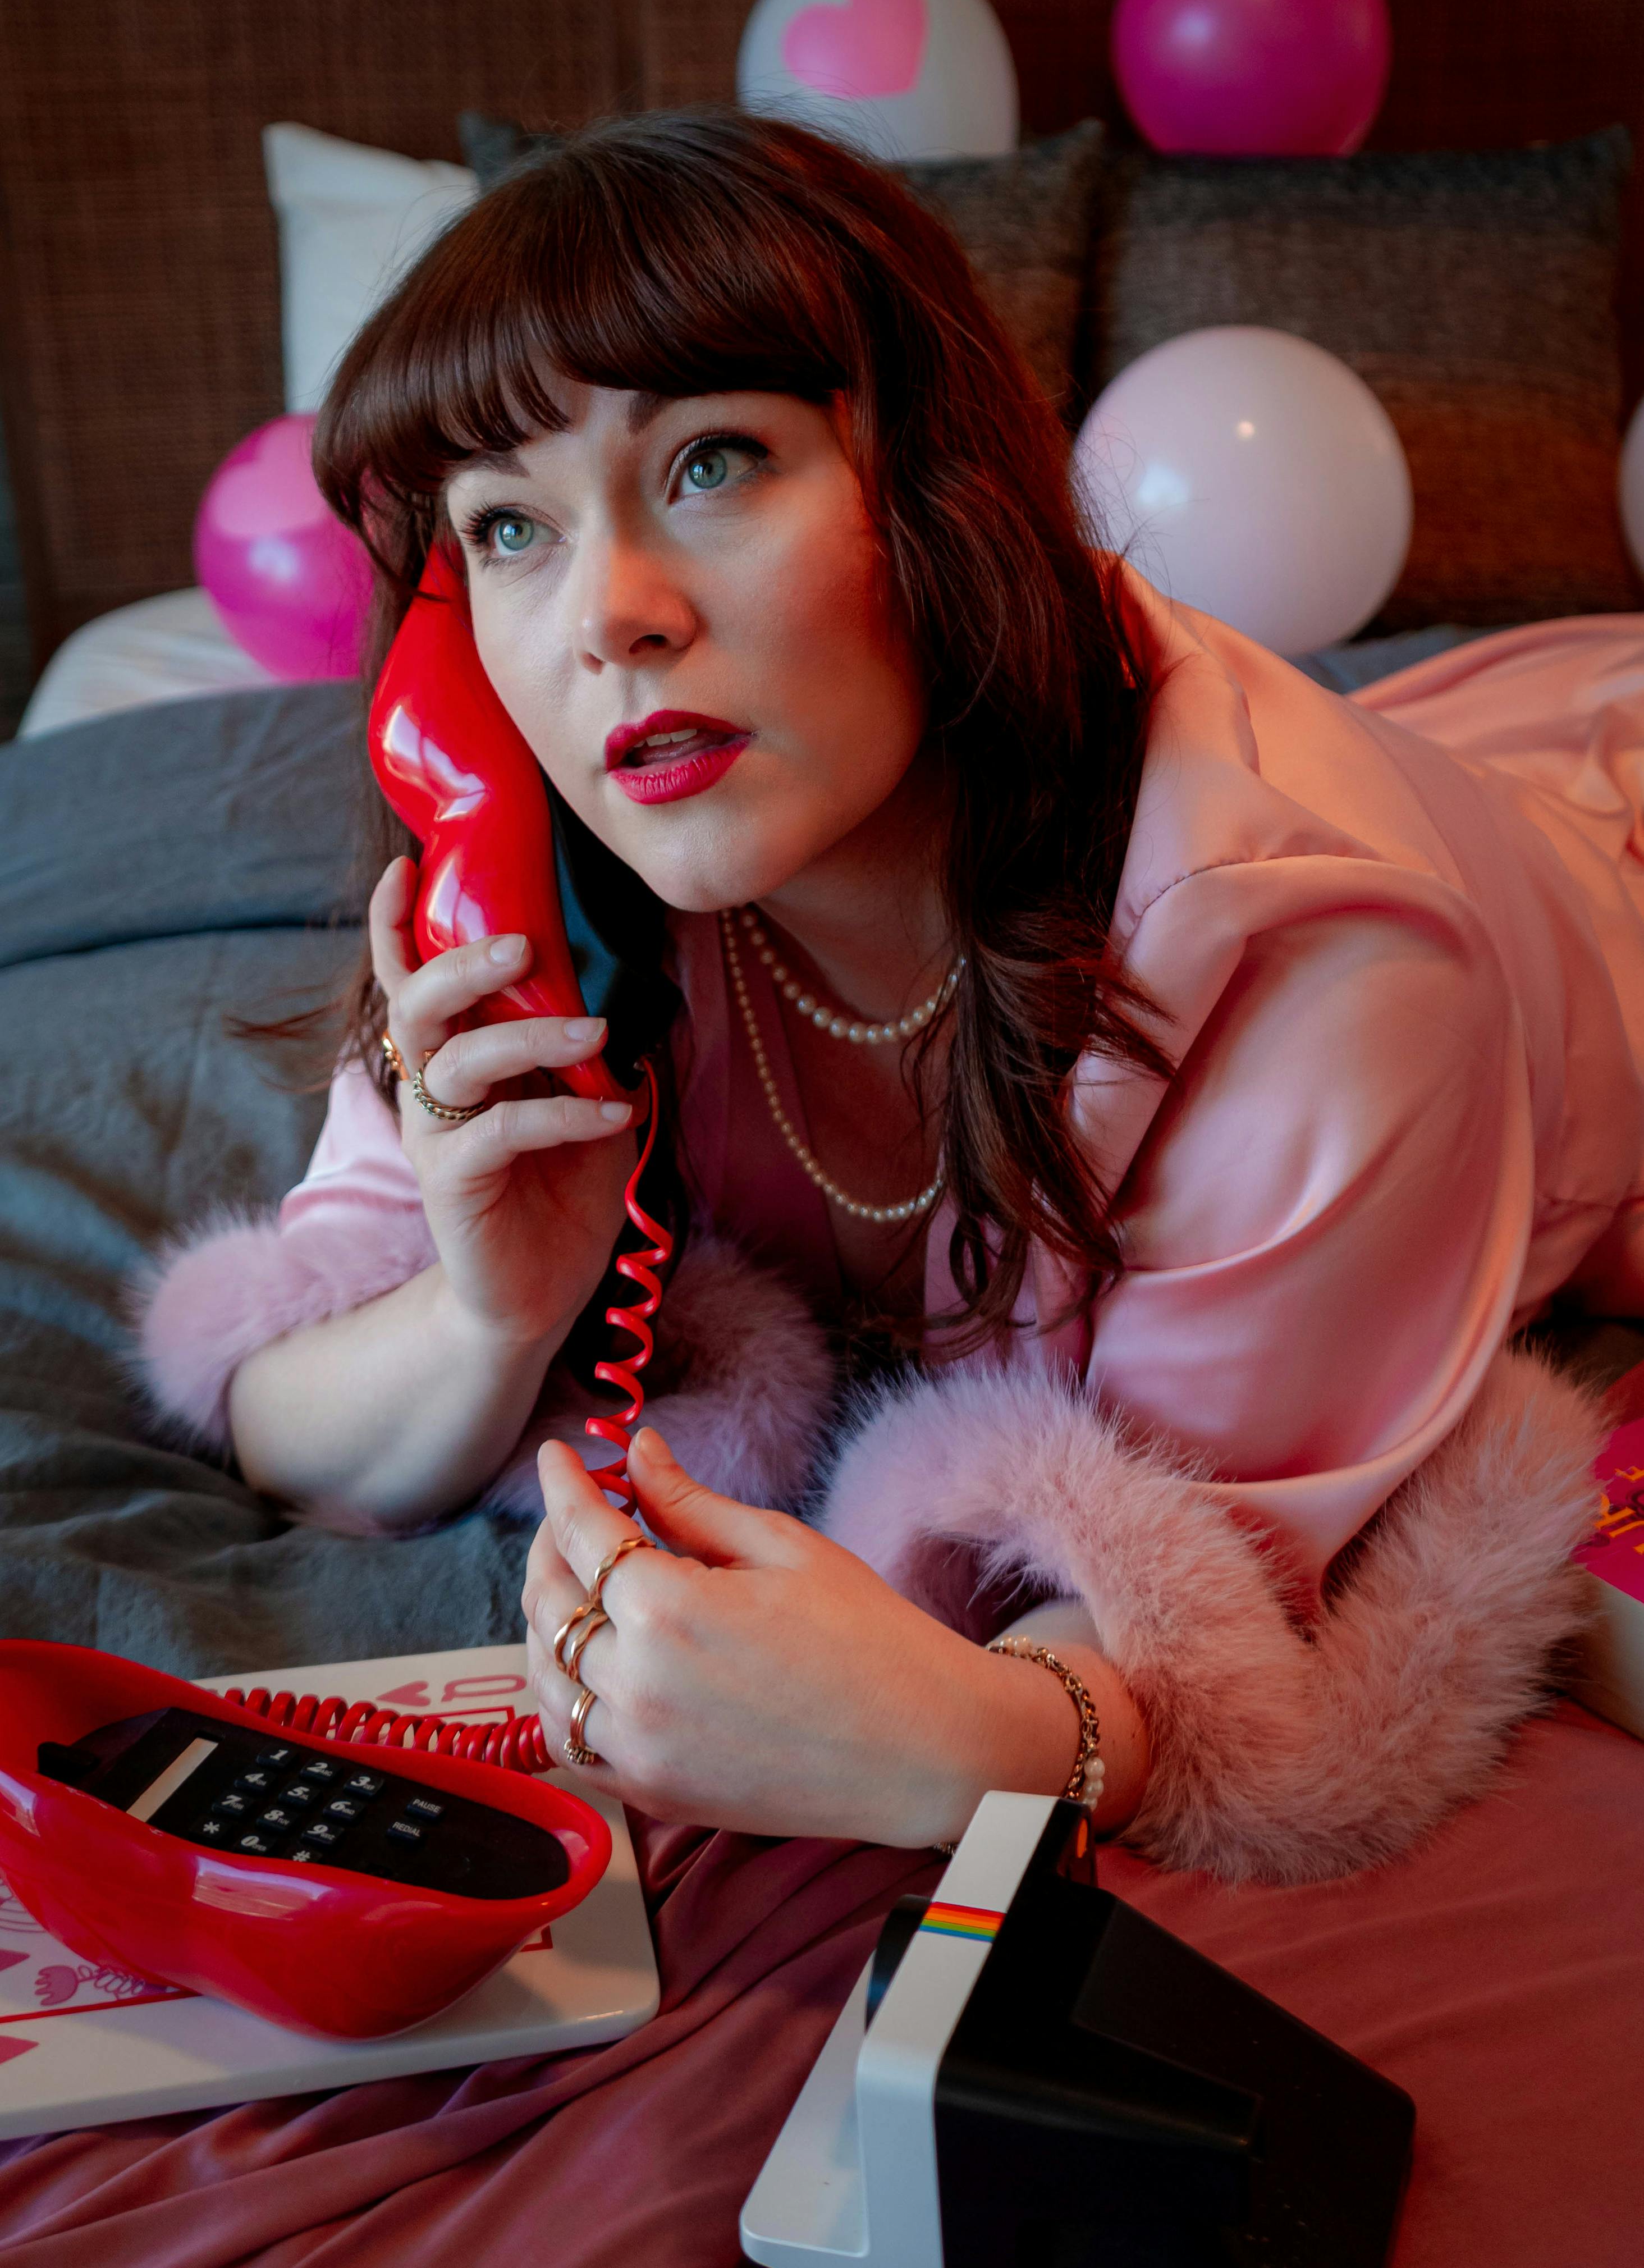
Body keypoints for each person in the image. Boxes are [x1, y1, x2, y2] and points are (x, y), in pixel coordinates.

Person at [139, 107, 1643, 1886]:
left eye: (708, 461)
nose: (609, 616)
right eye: (509, 531)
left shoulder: (1319, 958)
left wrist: (976, 1739)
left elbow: (1194, 1612)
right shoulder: (564, 875)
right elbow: (279, 1404)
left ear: (935, 486)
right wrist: (488, 1309)